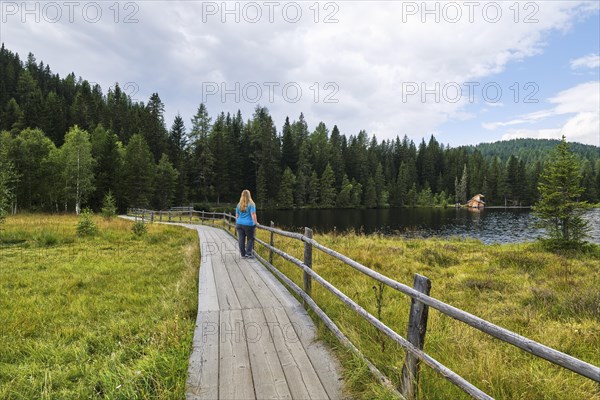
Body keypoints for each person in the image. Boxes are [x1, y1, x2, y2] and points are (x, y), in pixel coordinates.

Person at [235, 189, 258, 258]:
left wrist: (238, 223)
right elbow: (253, 214)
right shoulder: (251, 204)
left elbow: (237, 216)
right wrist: (256, 223)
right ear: (249, 195)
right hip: (248, 224)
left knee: (241, 239)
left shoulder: (239, 204)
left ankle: (243, 254)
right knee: (250, 238)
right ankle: (248, 253)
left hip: (239, 224)